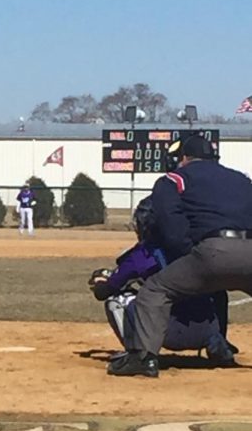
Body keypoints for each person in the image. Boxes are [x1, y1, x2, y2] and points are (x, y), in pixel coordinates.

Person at [108, 133, 252, 377]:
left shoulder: (173, 179)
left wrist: (193, 257)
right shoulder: (243, 180)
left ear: (184, 157)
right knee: (217, 290)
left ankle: (144, 358)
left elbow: (173, 230)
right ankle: (220, 346)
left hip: (212, 251)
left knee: (154, 290)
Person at [89, 196, 232, 361]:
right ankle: (220, 345)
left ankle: (138, 356)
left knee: (117, 299)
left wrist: (101, 281)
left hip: (168, 333)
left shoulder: (142, 255)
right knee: (218, 289)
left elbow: (104, 292)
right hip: (208, 330)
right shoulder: (197, 246)